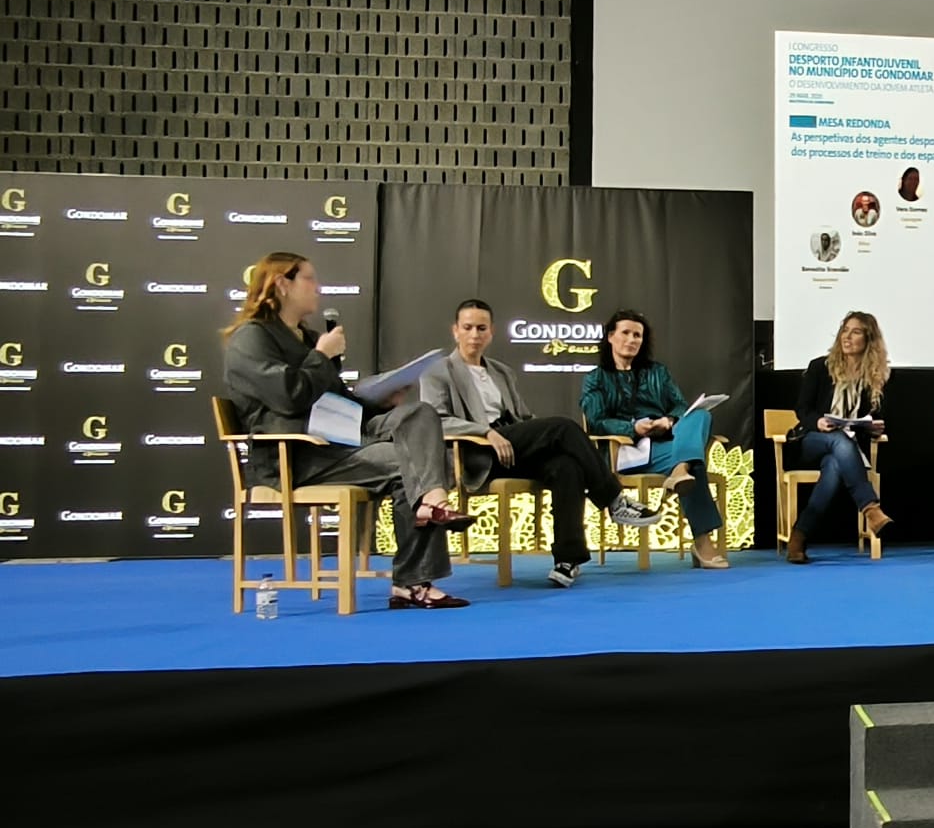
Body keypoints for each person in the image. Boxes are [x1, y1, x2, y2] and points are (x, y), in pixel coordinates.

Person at [222, 251, 476, 610]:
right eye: (309, 279)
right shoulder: (251, 338)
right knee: (411, 465)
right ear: (282, 284)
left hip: (339, 440)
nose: (317, 287)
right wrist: (321, 357)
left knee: (419, 415)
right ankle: (414, 580)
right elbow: (288, 397)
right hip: (297, 454)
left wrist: (383, 400)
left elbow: (336, 400)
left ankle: (431, 503)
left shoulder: (309, 338)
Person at [420, 298, 664, 588]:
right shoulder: (437, 372)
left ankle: (567, 560)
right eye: (468, 327)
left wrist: (537, 436)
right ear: (455, 330)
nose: (475, 334)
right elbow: (435, 421)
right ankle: (614, 500)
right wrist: (485, 433)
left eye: (481, 328)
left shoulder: (501, 372)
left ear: (491, 332)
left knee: (566, 465)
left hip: (512, 444)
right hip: (478, 452)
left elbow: (523, 418)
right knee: (563, 427)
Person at [578, 309, 729, 568]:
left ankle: (680, 470)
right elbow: (596, 420)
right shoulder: (596, 378)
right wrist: (633, 428)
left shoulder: (657, 372)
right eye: (626, 333)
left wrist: (668, 421)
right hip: (622, 451)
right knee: (695, 464)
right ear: (611, 337)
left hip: (663, 445)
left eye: (637, 335)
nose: (632, 339)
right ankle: (702, 541)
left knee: (700, 415)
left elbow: (680, 406)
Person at [784, 311, 893, 564]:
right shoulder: (820, 367)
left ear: (868, 339)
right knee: (838, 440)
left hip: (846, 451)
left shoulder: (875, 376)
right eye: (845, 330)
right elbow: (802, 409)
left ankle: (799, 536)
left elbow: (874, 417)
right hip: (812, 441)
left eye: (855, 332)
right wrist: (818, 422)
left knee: (834, 464)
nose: (847, 336)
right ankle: (871, 508)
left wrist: (873, 427)